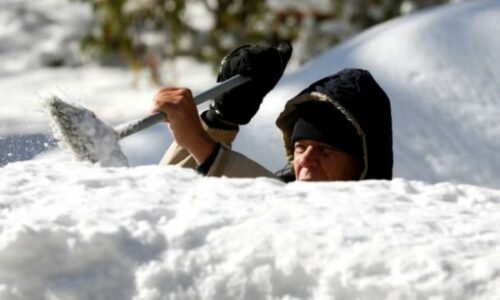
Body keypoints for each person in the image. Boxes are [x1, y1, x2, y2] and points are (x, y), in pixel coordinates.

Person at [152, 43, 393, 182]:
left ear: (362, 161)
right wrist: (219, 121)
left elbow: (289, 216)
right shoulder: (281, 195)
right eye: (300, 147)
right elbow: (166, 204)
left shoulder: (385, 225)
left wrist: (200, 143)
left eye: (325, 149)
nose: (306, 159)